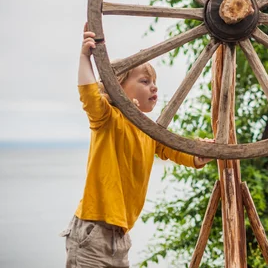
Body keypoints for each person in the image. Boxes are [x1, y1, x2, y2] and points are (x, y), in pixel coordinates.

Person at [60, 23, 212, 267]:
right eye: (144, 81)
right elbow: (89, 95)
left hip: (120, 237)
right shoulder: (108, 119)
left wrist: (197, 155)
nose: (154, 87)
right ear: (118, 86)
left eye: (154, 82)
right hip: (92, 232)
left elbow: (171, 147)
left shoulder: (147, 130)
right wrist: (84, 57)